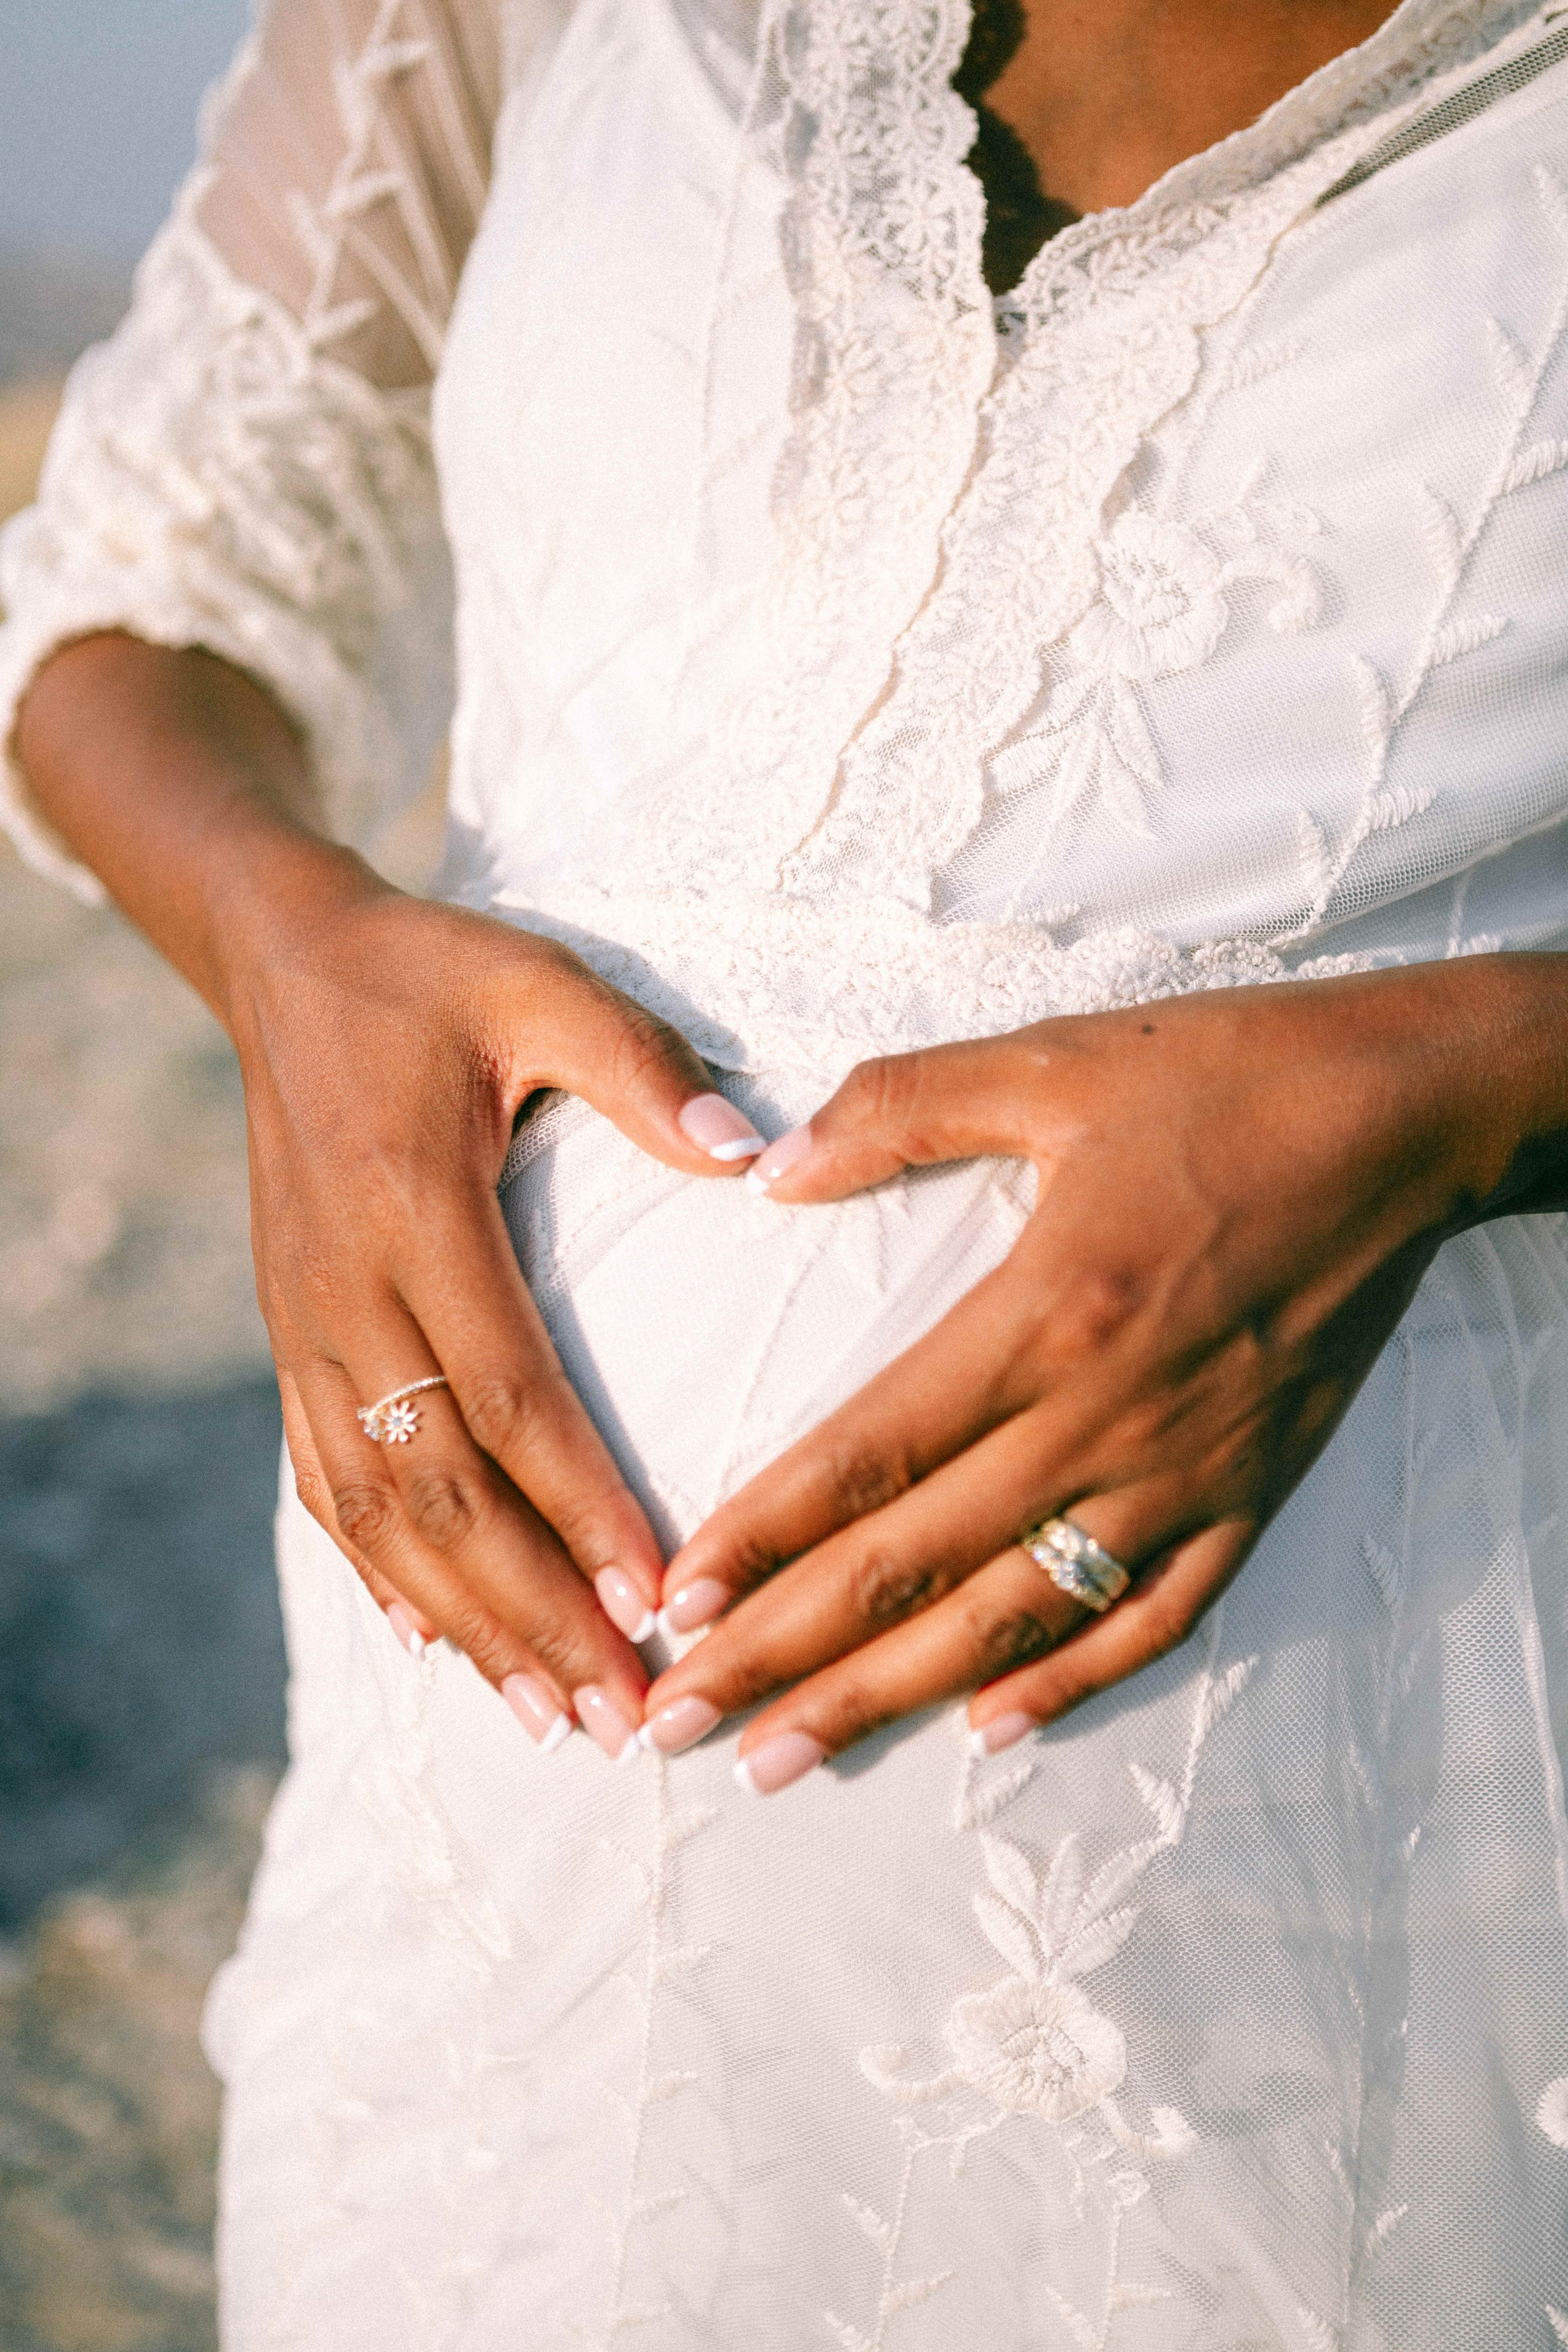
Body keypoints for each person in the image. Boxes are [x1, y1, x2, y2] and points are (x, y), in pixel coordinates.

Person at [3, 0, 1567, 2339]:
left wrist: (1474, 1079)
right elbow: (148, 605)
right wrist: (289, 951)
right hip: (475, 1974)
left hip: (1340, 1962)